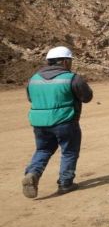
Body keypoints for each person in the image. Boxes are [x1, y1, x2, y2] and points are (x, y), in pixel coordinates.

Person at [22, 46, 93, 198]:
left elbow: (30, 98)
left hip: (39, 123)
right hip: (65, 121)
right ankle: (65, 183)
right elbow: (87, 97)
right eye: (70, 61)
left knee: (43, 150)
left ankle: (33, 173)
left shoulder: (33, 79)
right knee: (69, 152)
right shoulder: (72, 78)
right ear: (65, 62)